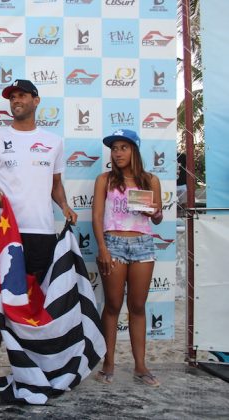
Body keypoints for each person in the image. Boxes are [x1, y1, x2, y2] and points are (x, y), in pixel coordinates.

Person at [0, 79, 77, 386]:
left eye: (22, 96)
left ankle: (35, 364)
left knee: (35, 300)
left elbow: (55, 184)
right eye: (12, 97)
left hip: (41, 231)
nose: (16, 100)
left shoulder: (53, 141)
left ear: (36, 100)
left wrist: (65, 206)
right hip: (4, 231)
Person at [92, 129, 163, 387]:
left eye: (123, 147)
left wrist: (156, 212)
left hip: (143, 244)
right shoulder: (104, 180)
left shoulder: (150, 180)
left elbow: (156, 218)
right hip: (113, 244)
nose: (118, 152)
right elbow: (97, 216)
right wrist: (102, 248)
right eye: (114, 148)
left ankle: (140, 366)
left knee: (138, 307)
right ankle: (108, 363)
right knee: (112, 305)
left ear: (134, 150)